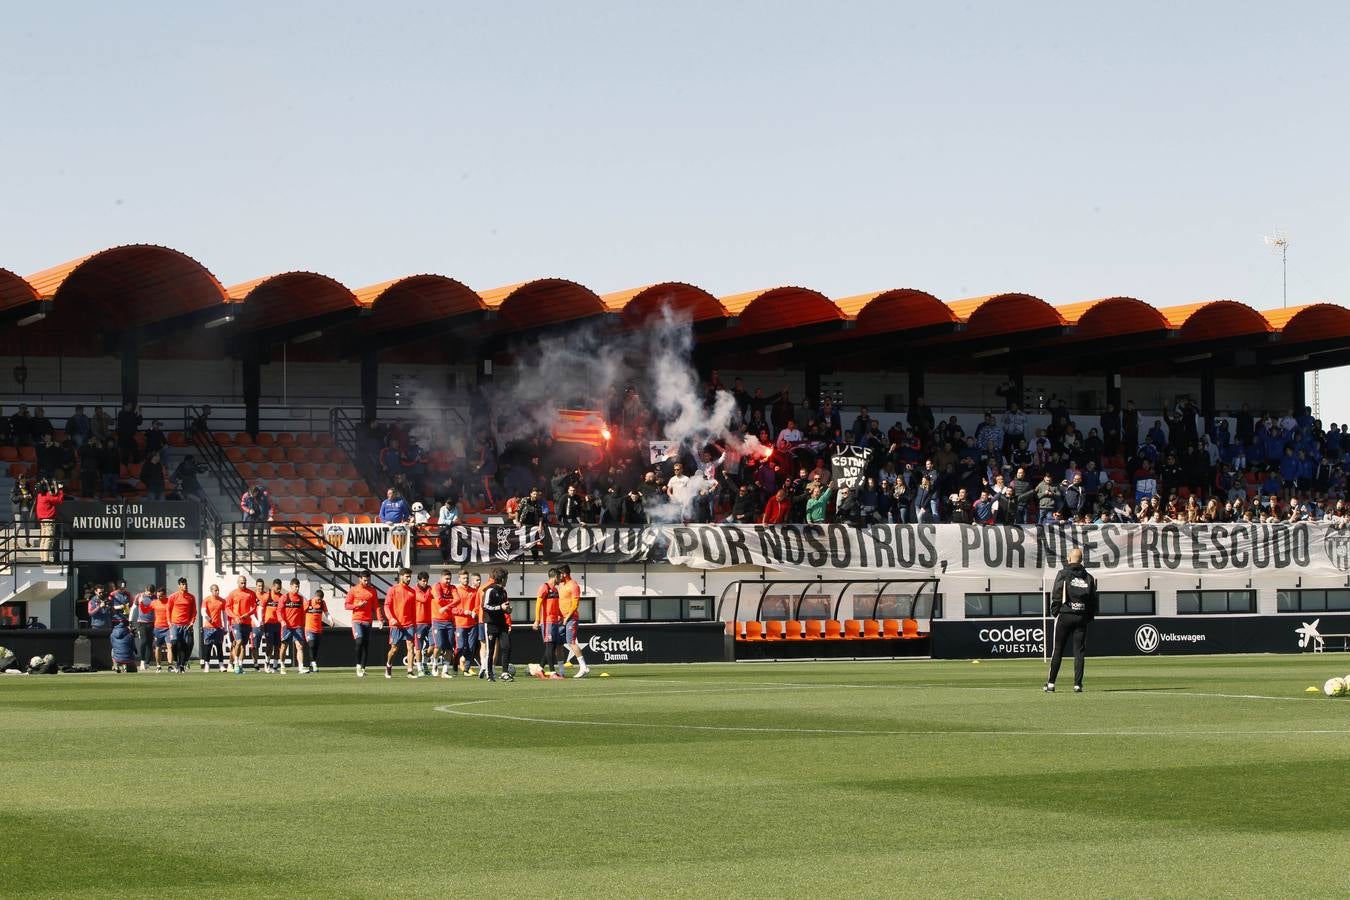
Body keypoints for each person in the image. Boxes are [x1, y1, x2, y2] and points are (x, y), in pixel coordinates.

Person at [1044, 548, 1100, 693]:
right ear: (1081, 560)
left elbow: (1056, 593)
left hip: (1065, 615)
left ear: (1069, 559)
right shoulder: (1088, 577)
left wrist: (1055, 611)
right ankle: (1077, 684)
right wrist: (1088, 616)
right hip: (1081, 617)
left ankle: (1051, 683)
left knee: (1058, 650)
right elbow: (1094, 600)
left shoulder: (1063, 573)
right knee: (1079, 652)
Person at [344, 570, 383, 677]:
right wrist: (357, 605)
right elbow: (346, 605)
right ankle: (358, 666)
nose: (367, 582)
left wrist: (380, 619)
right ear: (360, 579)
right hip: (357, 620)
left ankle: (363, 668)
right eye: (365, 580)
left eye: (368, 580)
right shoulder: (354, 590)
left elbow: (376, 606)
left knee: (366, 645)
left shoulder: (372, 591)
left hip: (368, 621)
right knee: (359, 641)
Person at [383, 568, 419, 679]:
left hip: (409, 624)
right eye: (407, 576)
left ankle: (409, 671)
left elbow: (413, 609)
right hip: (396, 624)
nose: (409, 579)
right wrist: (391, 618)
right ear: (401, 576)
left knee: (411, 646)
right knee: (394, 649)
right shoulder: (393, 589)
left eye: (410, 577)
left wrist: (415, 624)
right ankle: (388, 665)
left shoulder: (412, 591)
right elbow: (386, 605)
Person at [557, 564, 589, 678]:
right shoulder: (561, 585)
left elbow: (575, 604)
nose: (558, 576)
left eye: (559, 574)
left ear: (564, 574)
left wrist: (566, 618)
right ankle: (561, 671)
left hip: (571, 618)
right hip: (561, 619)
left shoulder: (573, 585)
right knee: (558, 643)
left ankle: (584, 667)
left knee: (571, 642)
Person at [481, 568, 511, 682]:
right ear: (502, 579)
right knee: (490, 650)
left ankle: (505, 672)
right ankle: (489, 673)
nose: (507, 580)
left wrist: (507, 610)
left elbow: (504, 607)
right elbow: (485, 606)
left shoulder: (503, 591)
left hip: (502, 623)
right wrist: (500, 607)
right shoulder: (490, 590)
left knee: (506, 646)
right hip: (491, 624)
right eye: (506, 578)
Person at [226, 576, 258, 675]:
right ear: (238, 583)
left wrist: (247, 614)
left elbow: (254, 607)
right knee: (238, 642)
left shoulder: (251, 594)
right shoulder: (232, 594)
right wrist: (235, 617)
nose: (243, 585)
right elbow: (227, 608)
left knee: (243, 646)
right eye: (241, 583)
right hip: (236, 623)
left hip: (247, 623)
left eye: (244, 583)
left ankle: (240, 665)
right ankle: (235, 663)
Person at [534, 568, 563, 679]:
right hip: (547, 622)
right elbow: (538, 604)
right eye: (560, 577)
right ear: (555, 576)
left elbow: (556, 606)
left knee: (552, 646)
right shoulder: (544, 587)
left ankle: (540, 669)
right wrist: (537, 620)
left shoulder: (555, 590)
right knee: (550, 646)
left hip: (555, 621)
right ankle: (552, 673)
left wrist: (561, 615)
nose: (561, 579)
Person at [450, 569, 480, 675]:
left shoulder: (474, 591)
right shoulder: (456, 591)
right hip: (460, 624)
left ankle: (466, 669)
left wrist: (474, 612)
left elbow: (477, 606)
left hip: (472, 624)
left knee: (471, 647)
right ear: (459, 579)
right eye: (463, 578)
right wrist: (465, 612)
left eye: (467, 578)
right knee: (460, 647)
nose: (466, 580)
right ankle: (454, 665)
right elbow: (452, 609)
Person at [166, 578, 197, 674]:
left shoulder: (191, 597)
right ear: (179, 585)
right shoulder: (173, 597)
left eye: (186, 584)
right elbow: (168, 610)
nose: (185, 586)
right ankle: (176, 662)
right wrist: (169, 622)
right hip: (175, 624)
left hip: (186, 625)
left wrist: (192, 622)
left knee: (185, 644)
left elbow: (194, 612)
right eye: (183, 584)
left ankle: (182, 665)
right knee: (174, 643)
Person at [278, 578, 309, 675]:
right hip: (286, 627)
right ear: (291, 586)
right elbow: (279, 611)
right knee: (283, 646)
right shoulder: (284, 598)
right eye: (295, 586)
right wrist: (282, 621)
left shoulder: (301, 599)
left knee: (299, 647)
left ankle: (300, 667)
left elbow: (306, 608)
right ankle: (282, 666)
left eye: (298, 586)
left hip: (298, 626)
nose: (297, 588)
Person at [430, 570, 456, 678]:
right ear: (441, 578)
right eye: (446, 579)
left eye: (449, 579)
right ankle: (435, 664)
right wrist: (452, 601)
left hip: (449, 621)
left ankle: (445, 671)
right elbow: (439, 600)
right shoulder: (436, 587)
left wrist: (446, 606)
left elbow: (458, 600)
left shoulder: (453, 588)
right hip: (437, 620)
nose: (448, 581)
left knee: (450, 647)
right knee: (439, 646)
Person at [200, 583, 228, 672]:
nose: (217, 592)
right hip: (208, 627)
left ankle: (221, 665)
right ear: (211, 591)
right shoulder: (207, 600)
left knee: (219, 647)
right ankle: (207, 665)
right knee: (208, 647)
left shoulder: (222, 601)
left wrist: (225, 627)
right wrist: (209, 618)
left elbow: (224, 615)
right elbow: (203, 612)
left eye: (218, 590)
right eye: (215, 590)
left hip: (218, 627)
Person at [257, 579, 283, 673]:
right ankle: (267, 663)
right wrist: (261, 622)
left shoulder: (281, 597)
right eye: (277, 588)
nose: (279, 590)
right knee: (269, 645)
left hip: (278, 624)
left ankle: (275, 666)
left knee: (278, 646)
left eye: (280, 588)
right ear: (273, 587)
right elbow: (260, 609)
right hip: (268, 624)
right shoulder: (267, 596)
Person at [131, 584, 157, 672]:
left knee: (150, 643)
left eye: (151, 593)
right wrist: (130, 620)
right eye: (149, 593)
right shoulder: (139, 596)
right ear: (146, 590)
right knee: (144, 641)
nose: (150, 595)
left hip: (152, 623)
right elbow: (133, 608)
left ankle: (147, 663)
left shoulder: (155, 597)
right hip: (141, 622)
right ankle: (142, 661)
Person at [303, 589, 330, 673]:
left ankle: (312, 663)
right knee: (311, 644)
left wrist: (331, 620)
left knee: (316, 647)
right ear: (315, 597)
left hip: (318, 629)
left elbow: (326, 613)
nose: (319, 601)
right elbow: (301, 612)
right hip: (309, 629)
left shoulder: (322, 603)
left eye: (320, 600)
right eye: (318, 599)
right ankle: (314, 664)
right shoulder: (308, 603)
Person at [413, 571, 433, 676]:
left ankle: (425, 660)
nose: (426, 583)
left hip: (430, 621)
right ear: (419, 580)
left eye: (427, 581)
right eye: (424, 581)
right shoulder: (415, 590)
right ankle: (420, 668)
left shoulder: (430, 590)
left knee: (434, 645)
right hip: (418, 622)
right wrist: (430, 590)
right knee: (418, 647)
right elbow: (424, 599)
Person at [149, 587, 172, 672]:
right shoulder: (154, 603)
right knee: (158, 647)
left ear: (165, 595)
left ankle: (170, 666)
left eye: (161, 596)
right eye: (158, 595)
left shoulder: (169, 602)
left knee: (170, 646)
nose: (159, 597)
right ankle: (158, 666)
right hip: (157, 627)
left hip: (168, 628)